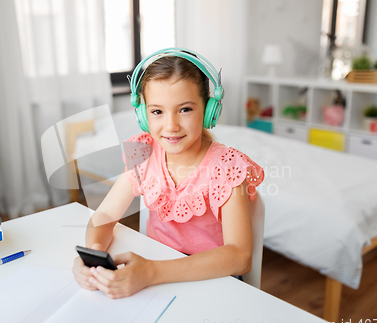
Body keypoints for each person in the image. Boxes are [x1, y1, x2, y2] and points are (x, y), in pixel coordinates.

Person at [72, 48, 264, 299]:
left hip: (210, 280)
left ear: (208, 110)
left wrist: (152, 272)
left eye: (185, 109)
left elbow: (239, 256)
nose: (171, 126)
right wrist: (94, 253)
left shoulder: (227, 167)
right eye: (157, 111)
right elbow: (106, 213)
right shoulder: (142, 153)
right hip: (155, 274)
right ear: (143, 115)